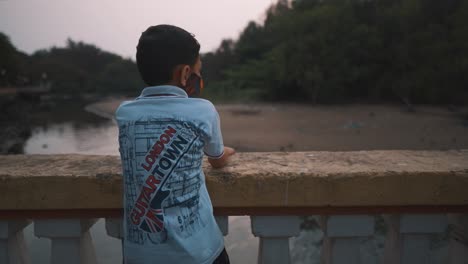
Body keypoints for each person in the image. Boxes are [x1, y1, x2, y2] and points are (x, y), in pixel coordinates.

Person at [115, 24, 235, 264]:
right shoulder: (203, 111)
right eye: (197, 72)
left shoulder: (125, 114)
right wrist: (227, 152)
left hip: (140, 257)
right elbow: (217, 160)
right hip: (201, 253)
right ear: (185, 74)